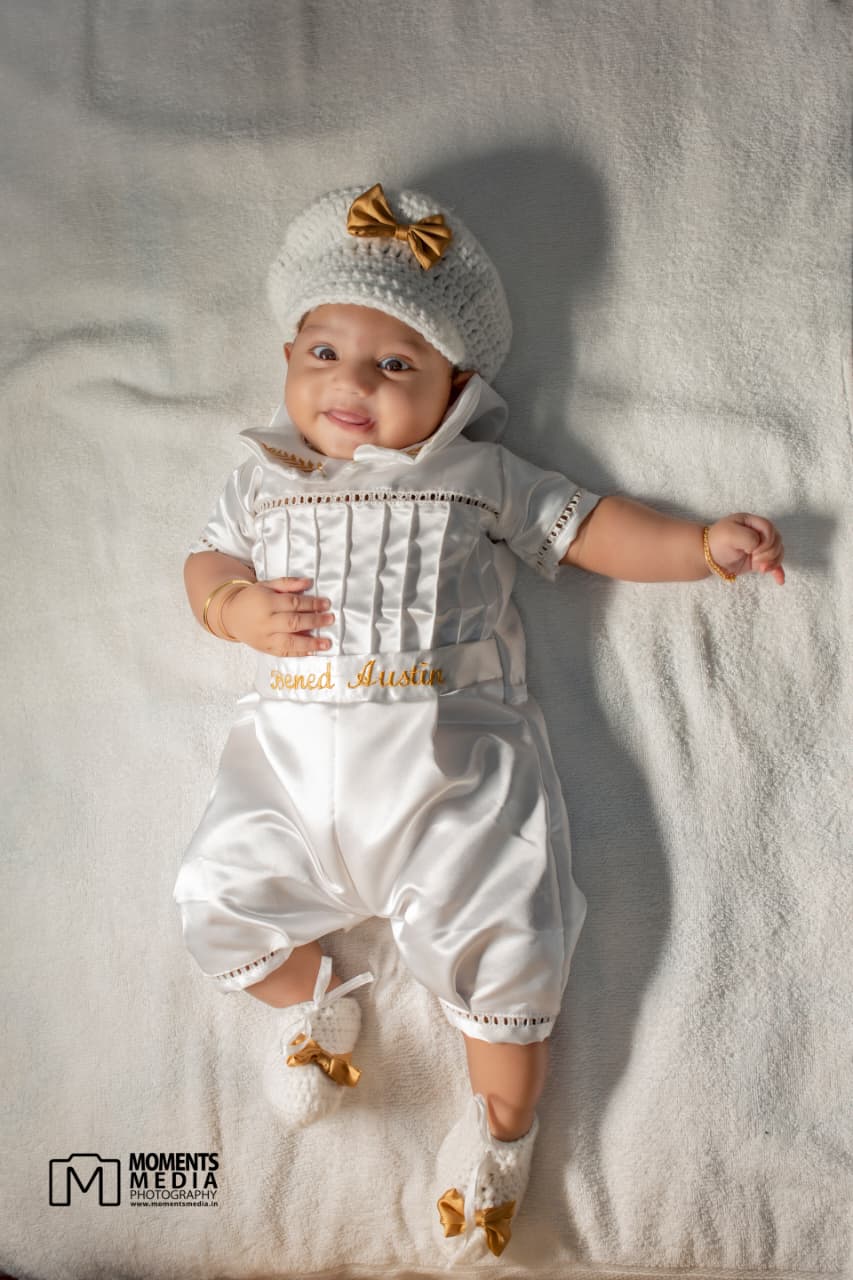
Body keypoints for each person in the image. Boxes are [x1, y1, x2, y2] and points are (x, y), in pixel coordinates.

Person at [173, 182, 785, 1260]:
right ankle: (316, 996)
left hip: (450, 780)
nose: (351, 382)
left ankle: (501, 1134)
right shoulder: (262, 483)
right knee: (213, 902)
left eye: (393, 364)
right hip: (288, 775)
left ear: (456, 387)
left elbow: (590, 528)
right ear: (286, 359)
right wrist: (231, 605)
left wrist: (696, 547)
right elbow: (205, 562)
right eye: (323, 352)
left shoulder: (479, 476)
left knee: (511, 955)